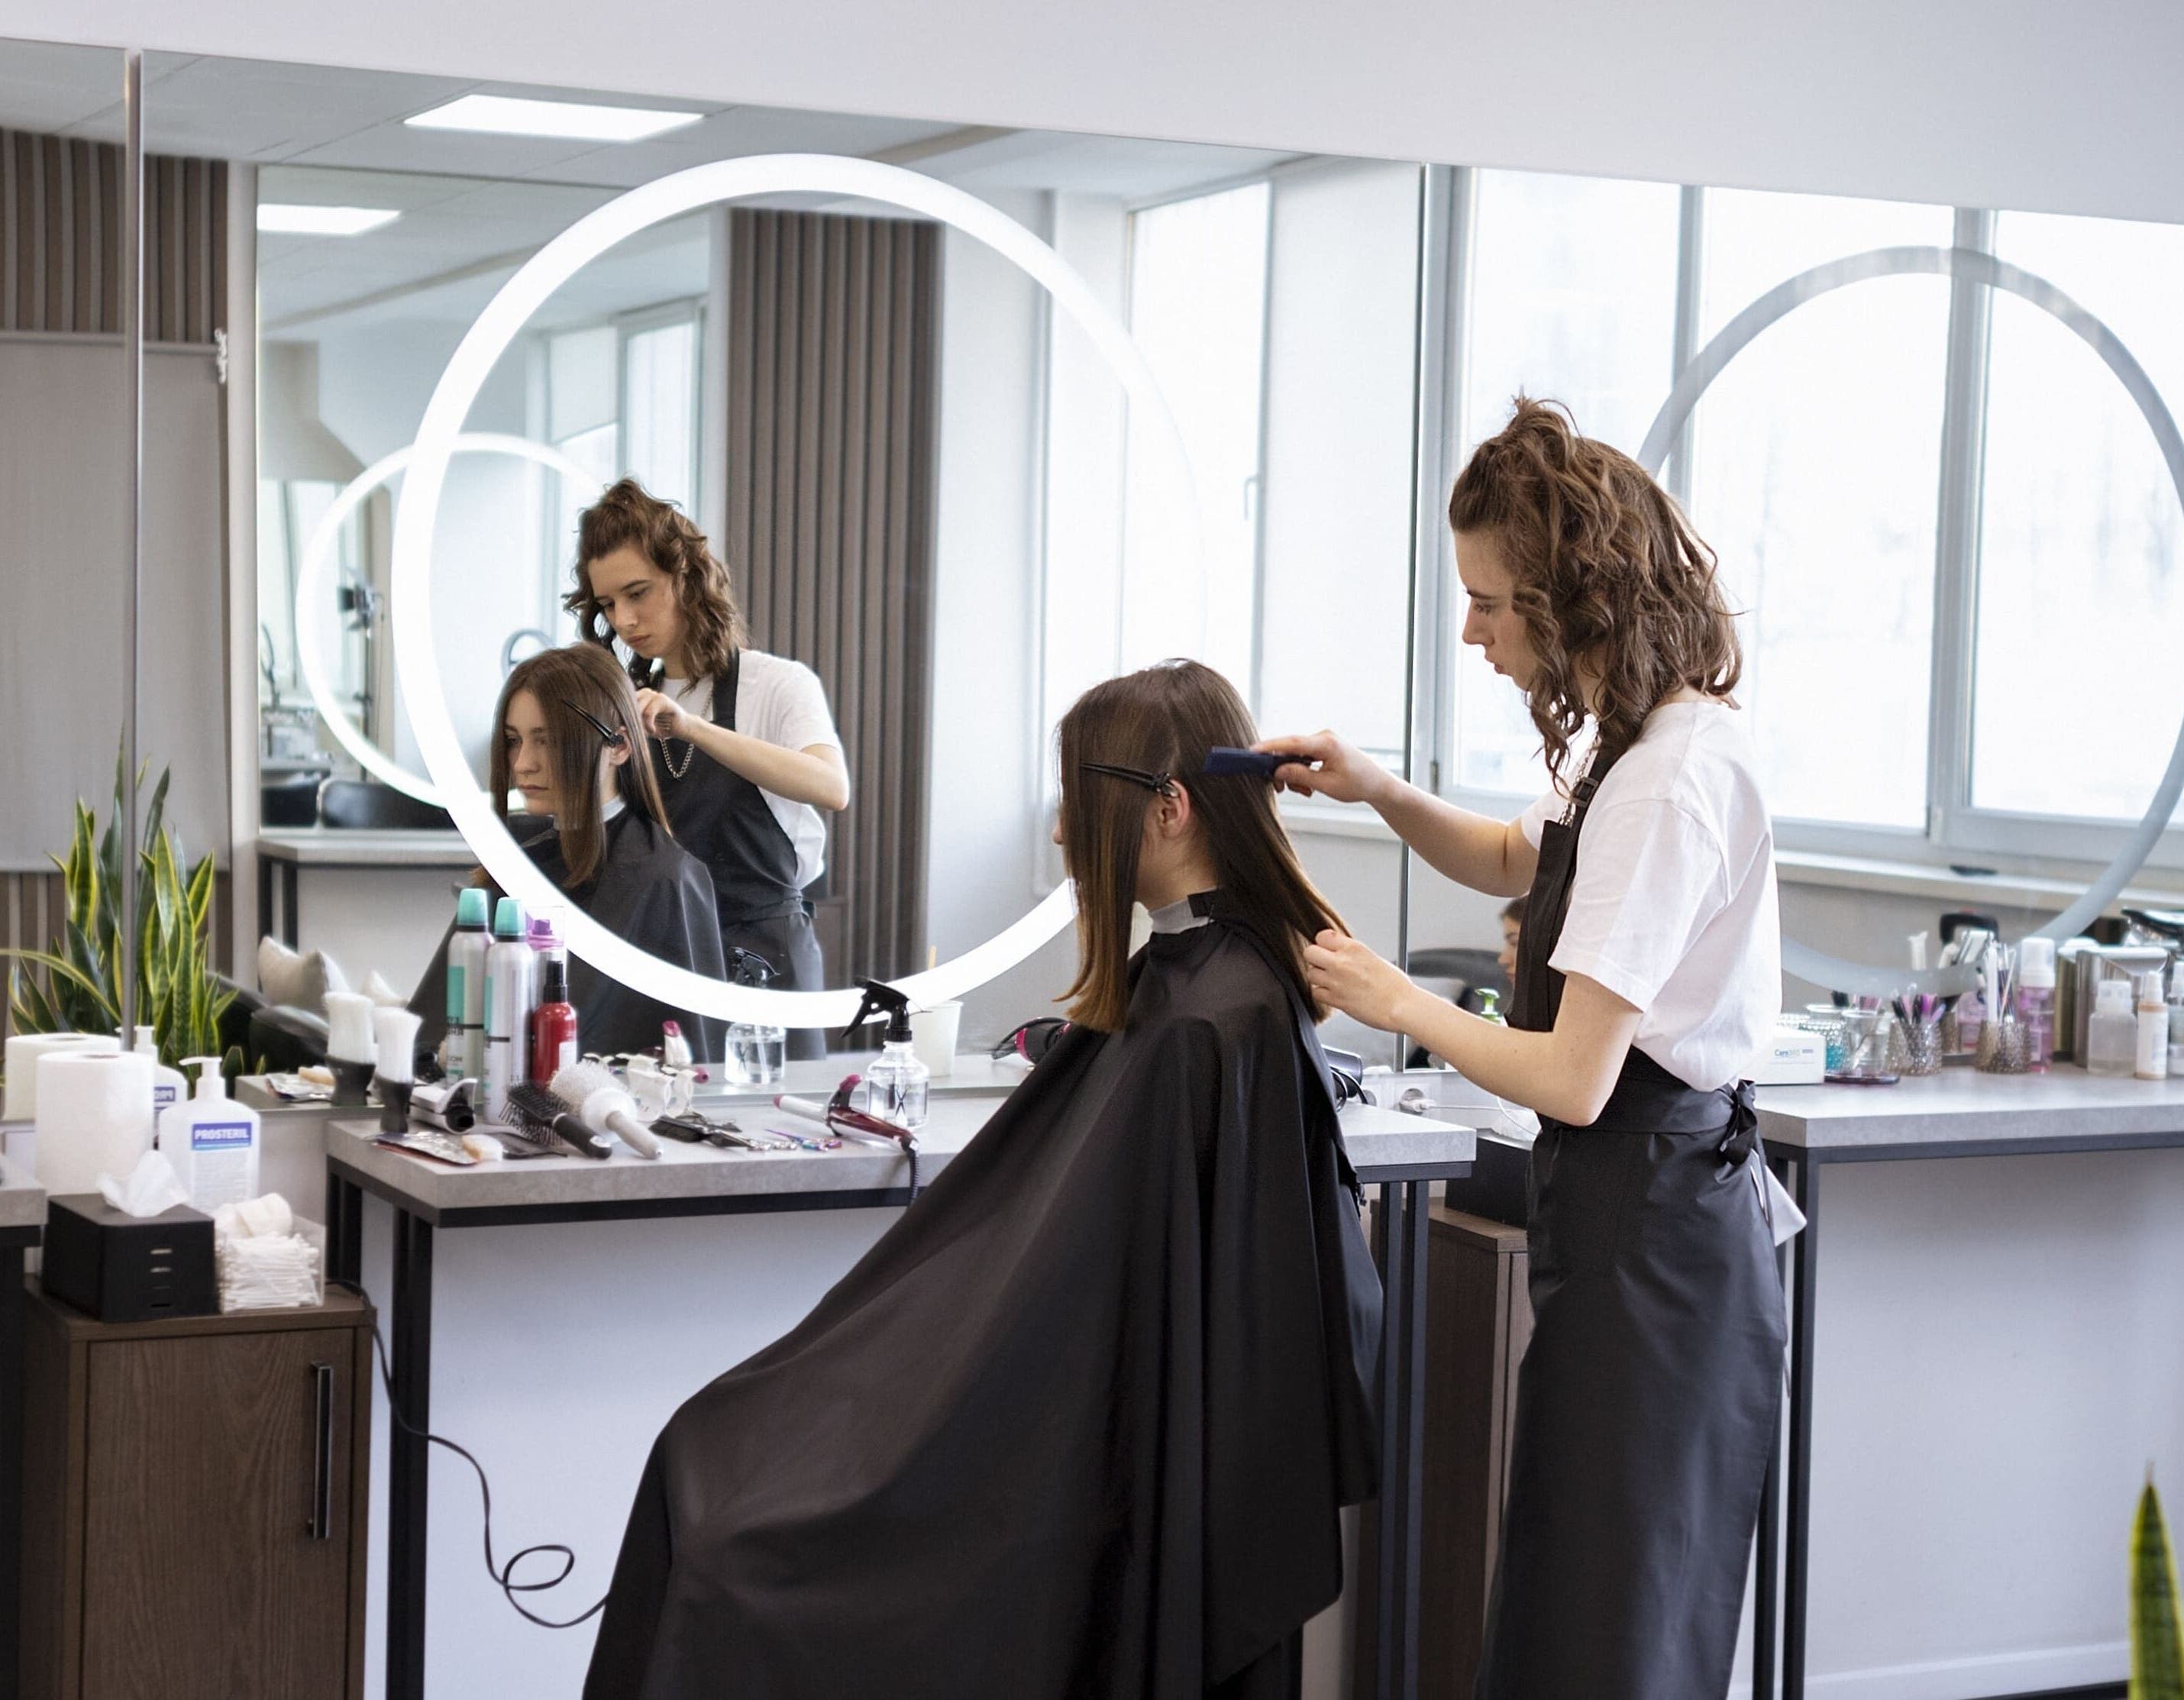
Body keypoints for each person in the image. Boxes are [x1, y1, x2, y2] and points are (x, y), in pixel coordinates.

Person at [582, 661, 1383, 1700]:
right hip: (1055, 1432)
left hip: (1058, 1469)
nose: (1060, 832)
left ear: (1171, 810)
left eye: (1075, 802)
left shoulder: (1209, 1019)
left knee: (733, 1531)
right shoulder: (1195, 992)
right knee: (703, 1448)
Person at [1262, 398, 1788, 1700]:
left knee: (1618, 1622)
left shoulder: (1668, 777)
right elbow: (1517, 855)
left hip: (1659, 1244)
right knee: (1580, 1598)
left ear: (1574, 600)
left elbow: (1572, 1072)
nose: (1472, 631)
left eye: (1490, 602)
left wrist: (1396, 1000)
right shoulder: (1628, 740)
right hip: (1630, 1225)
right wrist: (1377, 790)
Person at [568, 480, 845, 1052]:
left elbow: (830, 785)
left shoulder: (779, 684)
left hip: (768, 959)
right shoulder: (626, 698)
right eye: (608, 605)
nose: (624, 619)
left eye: (637, 593)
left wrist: (691, 727)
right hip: (667, 956)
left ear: (685, 576)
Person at [412, 644, 725, 1061]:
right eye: (513, 741)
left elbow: (690, 1063)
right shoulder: (519, 864)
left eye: (549, 741)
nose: (523, 763)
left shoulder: (663, 878)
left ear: (619, 746)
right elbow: (435, 1038)